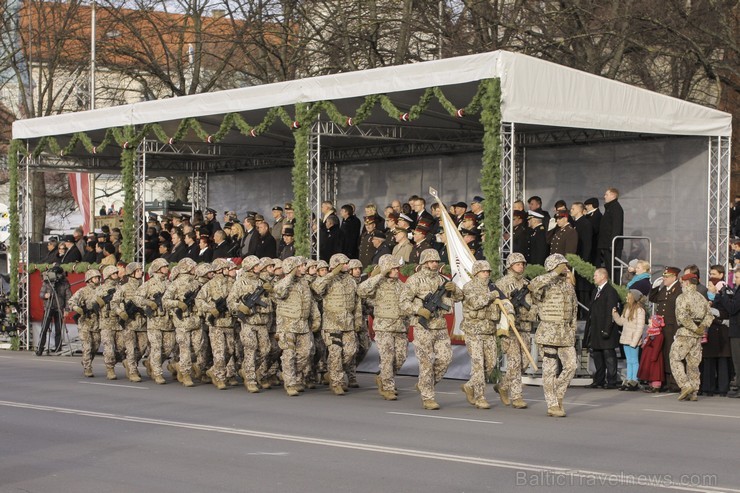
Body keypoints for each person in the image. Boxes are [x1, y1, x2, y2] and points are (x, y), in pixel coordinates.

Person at [399, 249, 463, 410]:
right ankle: (428, 397)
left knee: (445, 358)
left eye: (436, 261)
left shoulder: (444, 280)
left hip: (440, 326)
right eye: (432, 261)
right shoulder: (415, 280)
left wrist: (454, 289)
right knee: (426, 363)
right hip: (423, 327)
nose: (435, 263)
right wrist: (418, 310)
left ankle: (424, 384)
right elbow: (403, 302)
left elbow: (460, 297)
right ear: (424, 262)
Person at [528, 253, 577, 417]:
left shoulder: (568, 286)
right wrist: (554, 273)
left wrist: (573, 330)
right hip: (548, 332)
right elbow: (533, 285)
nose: (566, 268)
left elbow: (574, 310)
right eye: (562, 265)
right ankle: (552, 404)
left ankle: (558, 393)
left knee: (571, 365)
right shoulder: (544, 284)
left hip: (565, 333)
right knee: (550, 370)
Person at [357, 254, 407, 401]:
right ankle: (387, 387)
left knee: (401, 357)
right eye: (393, 268)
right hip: (383, 327)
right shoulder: (377, 284)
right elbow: (361, 290)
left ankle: (383, 377)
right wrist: (379, 276)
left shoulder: (402, 285)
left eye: (397, 268)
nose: (397, 270)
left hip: (400, 327)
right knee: (387, 357)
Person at [311, 253, 361, 395]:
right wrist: (331, 274)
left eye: (347, 263)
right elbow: (316, 288)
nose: (347, 265)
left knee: (351, 352)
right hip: (331, 323)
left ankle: (333, 372)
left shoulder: (351, 281)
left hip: (348, 323)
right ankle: (337, 382)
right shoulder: (328, 280)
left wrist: (357, 320)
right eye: (343, 263)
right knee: (335, 353)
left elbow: (357, 303)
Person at [273, 257, 321, 396]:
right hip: (287, 325)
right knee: (289, 355)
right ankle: (291, 383)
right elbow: (280, 292)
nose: (304, 268)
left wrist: (316, 318)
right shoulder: (282, 283)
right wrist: (290, 274)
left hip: (302, 325)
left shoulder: (304, 283)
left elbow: (311, 302)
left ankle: (294, 376)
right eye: (300, 266)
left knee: (306, 353)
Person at [495, 252, 536, 409]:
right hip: (510, 328)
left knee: (524, 362)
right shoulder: (502, 284)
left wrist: (531, 313)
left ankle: (504, 385)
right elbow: (498, 304)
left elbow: (534, 304)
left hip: (525, 326)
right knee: (514, 361)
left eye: (522, 264)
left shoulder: (527, 283)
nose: (521, 266)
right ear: (510, 266)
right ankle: (517, 397)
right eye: (518, 264)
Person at [228, 256, 274, 393]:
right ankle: (250, 379)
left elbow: (273, 300)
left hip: (262, 322)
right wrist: (240, 307)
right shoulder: (240, 283)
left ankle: (248, 369)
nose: (259, 267)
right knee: (250, 349)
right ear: (250, 267)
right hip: (248, 322)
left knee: (265, 350)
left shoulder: (263, 282)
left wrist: (270, 291)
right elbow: (230, 302)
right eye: (256, 265)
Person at [460, 260, 501, 410]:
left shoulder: (492, 287)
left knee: (490, 364)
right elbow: (476, 303)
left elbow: (503, 301)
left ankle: (470, 385)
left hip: (489, 330)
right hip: (473, 330)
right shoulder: (469, 287)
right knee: (478, 365)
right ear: (476, 273)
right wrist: (491, 296)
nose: (487, 274)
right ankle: (480, 397)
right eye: (484, 271)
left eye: (488, 272)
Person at [671, 272, 714, 401]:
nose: (681, 285)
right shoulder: (702, 298)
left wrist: (695, 328)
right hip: (698, 336)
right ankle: (694, 391)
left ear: (687, 283)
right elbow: (710, 315)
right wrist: (701, 328)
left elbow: (682, 317)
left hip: (685, 333)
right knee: (693, 364)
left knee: (675, 358)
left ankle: (685, 385)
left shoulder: (682, 297)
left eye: (682, 283)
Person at [162, 258, 203, 387]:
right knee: (185, 348)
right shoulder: (175, 284)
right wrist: (178, 304)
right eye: (193, 267)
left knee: (198, 347)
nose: (195, 269)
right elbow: (165, 300)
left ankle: (179, 365)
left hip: (195, 320)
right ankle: (186, 374)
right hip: (182, 322)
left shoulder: (196, 283)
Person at [134, 258, 174, 385]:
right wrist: (148, 303)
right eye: (164, 266)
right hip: (154, 322)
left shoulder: (169, 284)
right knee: (156, 347)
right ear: (158, 269)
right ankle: (157, 373)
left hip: (168, 321)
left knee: (168, 347)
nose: (167, 268)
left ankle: (151, 362)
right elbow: (137, 298)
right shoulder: (149, 284)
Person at [585, 268, 621, 389]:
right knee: (597, 356)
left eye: (595, 275)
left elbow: (610, 312)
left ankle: (612, 381)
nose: (593, 277)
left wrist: (607, 329)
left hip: (606, 330)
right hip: (595, 329)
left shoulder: (610, 291)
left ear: (603, 276)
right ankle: (598, 380)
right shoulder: (596, 290)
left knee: (609, 356)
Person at [111, 262, 146, 382]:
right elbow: (114, 303)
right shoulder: (124, 288)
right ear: (131, 273)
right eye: (138, 270)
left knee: (142, 348)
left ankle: (130, 364)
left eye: (141, 270)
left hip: (142, 323)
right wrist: (120, 312)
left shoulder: (144, 286)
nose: (141, 272)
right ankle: (132, 371)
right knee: (130, 348)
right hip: (129, 323)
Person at [649, 266, 682, 391]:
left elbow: (678, 312)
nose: (664, 278)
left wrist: (677, 330)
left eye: (666, 277)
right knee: (662, 354)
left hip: (671, 327)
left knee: (672, 355)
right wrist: (654, 288)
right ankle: (665, 381)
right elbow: (653, 299)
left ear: (674, 277)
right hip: (661, 328)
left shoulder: (678, 289)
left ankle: (674, 382)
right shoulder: (664, 289)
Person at [714, 265, 740, 398]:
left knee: (737, 360)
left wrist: (724, 294)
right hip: (736, 330)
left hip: (737, 331)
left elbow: (732, 308)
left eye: (737, 277)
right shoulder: (737, 290)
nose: (735, 280)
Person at [94, 265, 124, 380]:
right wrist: (101, 302)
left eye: (117, 273)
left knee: (122, 348)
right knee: (109, 348)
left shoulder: (120, 288)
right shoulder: (100, 289)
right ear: (108, 276)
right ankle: (110, 369)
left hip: (118, 322)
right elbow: (93, 303)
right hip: (106, 323)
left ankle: (118, 362)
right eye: (114, 274)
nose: (116, 275)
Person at [612, 289, 646, 391]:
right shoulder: (627, 309)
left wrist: (635, 342)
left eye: (628, 296)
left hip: (633, 340)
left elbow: (640, 327)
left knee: (634, 361)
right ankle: (628, 380)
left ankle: (634, 381)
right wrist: (615, 314)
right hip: (626, 338)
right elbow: (621, 322)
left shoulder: (640, 310)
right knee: (629, 361)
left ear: (633, 298)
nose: (626, 297)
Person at [38, 265, 72, 353]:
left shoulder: (64, 282)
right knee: (44, 328)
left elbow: (69, 297)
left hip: (59, 308)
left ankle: (58, 348)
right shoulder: (47, 281)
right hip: (48, 307)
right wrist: (45, 295)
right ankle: (40, 348)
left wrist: (67, 309)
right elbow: (41, 294)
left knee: (58, 329)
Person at [597, 188, 624, 271]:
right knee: (608, 268)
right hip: (607, 244)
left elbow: (617, 227)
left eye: (606, 194)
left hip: (611, 246)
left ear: (613, 195)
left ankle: (614, 283)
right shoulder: (610, 208)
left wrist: (612, 243)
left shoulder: (615, 208)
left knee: (613, 269)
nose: (604, 196)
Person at [639, 315, 666, 392]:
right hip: (649, 354)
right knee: (650, 370)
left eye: (650, 323)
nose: (649, 325)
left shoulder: (659, 335)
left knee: (655, 371)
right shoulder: (651, 333)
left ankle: (656, 385)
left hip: (654, 356)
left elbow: (657, 346)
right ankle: (651, 384)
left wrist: (654, 356)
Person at [583, 197, 602, 264]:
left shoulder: (597, 215)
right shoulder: (590, 215)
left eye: (587, 205)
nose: (586, 207)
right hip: (590, 243)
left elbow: (593, 228)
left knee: (594, 261)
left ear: (591, 205)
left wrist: (586, 217)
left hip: (594, 243)